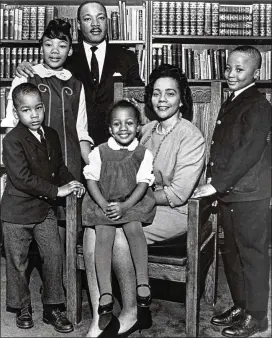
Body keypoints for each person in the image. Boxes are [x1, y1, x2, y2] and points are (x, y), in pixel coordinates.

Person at [82, 64, 206, 337]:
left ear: (182, 98)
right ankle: (98, 316)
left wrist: (129, 202)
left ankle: (131, 311)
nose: (162, 100)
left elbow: (177, 194)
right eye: (157, 93)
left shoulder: (191, 137)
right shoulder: (144, 129)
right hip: (136, 203)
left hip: (174, 212)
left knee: (119, 233)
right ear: (149, 98)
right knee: (92, 228)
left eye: (170, 94)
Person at [1, 18, 93, 285]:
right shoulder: (26, 76)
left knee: (62, 224)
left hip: (67, 162)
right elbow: (12, 124)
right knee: (31, 222)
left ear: (70, 50)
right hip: (34, 165)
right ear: (40, 46)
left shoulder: (75, 85)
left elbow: (82, 130)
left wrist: (94, 167)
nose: (55, 50)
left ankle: (59, 285)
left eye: (62, 45)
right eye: (48, 44)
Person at [193, 46, 271, 338]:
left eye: (239, 69)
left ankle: (258, 316)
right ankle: (242, 305)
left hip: (250, 194)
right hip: (231, 192)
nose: (231, 74)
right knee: (232, 252)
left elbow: (248, 152)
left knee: (252, 254)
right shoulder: (234, 100)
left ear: (256, 73)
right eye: (228, 68)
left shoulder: (259, 105)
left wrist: (215, 185)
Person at [1, 82, 85, 333]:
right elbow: (22, 178)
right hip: (16, 213)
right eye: (26, 110)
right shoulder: (12, 140)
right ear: (16, 113)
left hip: (44, 209)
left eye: (38, 108)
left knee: (53, 256)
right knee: (18, 262)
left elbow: (57, 167)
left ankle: (52, 308)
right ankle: (22, 307)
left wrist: (70, 181)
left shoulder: (51, 134)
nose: (34, 114)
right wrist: (57, 191)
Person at [13, 1, 144, 145]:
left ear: (107, 21)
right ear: (79, 25)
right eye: (88, 19)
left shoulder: (127, 57)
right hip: (74, 142)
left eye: (100, 18)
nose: (95, 24)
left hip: (116, 141)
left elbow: (139, 95)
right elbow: (46, 70)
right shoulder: (66, 56)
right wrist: (25, 67)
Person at [82, 99, 156, 336]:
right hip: (104, 202)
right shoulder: (99, 152)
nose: (123, 128)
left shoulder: (144, 154)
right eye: (117, 124)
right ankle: (105, 294)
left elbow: (143, 183)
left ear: (138, 127)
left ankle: (143, 284)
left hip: (130, 202)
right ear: (110, 128)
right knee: (103, 234)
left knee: (134, 229)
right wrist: (104, 205)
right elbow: (91, 180)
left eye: (129, 123)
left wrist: (125, 206)